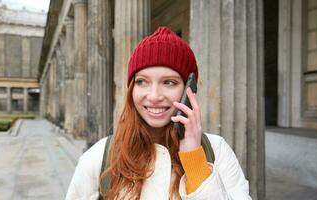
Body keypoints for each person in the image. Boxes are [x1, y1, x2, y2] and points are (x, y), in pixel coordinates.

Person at [66, 27, 251, 200]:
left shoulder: (217, 150)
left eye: (169, 82)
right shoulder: (100, 156)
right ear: (131, 89)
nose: (154, 96)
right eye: (142, 82)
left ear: (189, 89)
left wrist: (195, 162)